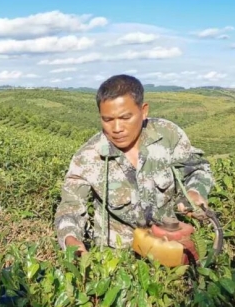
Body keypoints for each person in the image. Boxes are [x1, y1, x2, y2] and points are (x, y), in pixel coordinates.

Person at [54, 74, 214, 255]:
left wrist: (194, 192)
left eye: (125, 118)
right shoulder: (88, 157)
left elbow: (198, 169)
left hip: (170, 247)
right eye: (107, 120)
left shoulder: (168, 135)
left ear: (144, 111)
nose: (116, 129)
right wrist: (71, 240)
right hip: (117, 259)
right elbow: (70, 207)